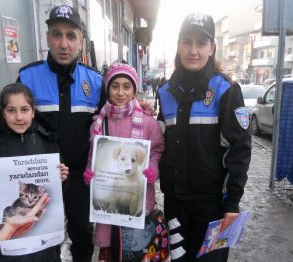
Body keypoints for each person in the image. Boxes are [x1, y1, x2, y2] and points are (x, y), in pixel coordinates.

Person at [0, 5, 105, 261]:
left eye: (71, 36)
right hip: (41, 178)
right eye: (57, 35)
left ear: (81, 40)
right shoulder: (28, 76)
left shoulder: (96, 81)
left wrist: (139, 109)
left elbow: (111, 115)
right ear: (47, 38)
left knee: (82, 235)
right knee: (44, 238)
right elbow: (8, 116)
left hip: (79, 178)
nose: (64, 43)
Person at [157, 13, 251, 262]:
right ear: (178, 45)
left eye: (201, 43)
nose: (193, 50)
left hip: (212, 208)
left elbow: (239, 150)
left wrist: (232, 203)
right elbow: (157, 143)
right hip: (175, 204)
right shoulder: (164, 92)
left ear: (212, 48)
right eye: (187, 42)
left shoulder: (226, 90)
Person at [0, 83, 69, 261]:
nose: (19, 117)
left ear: (33, 111)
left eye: (25, 109)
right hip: (6, 239)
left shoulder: (48, 140)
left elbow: (58, 190)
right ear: (3, 112)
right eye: (11, 110)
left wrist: (62, 178)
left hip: (43, 235)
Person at [82, 63, 165, 261]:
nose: (120, 92)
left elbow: (157, 151)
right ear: (108, 89)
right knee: (112, 253)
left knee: (134, 251)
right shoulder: (99, 123)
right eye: (115, 86)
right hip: (108, 205)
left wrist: (152, 168)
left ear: (134, 90)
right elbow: (95, 154)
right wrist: (90, 174)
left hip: (136, 202)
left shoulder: (149, 123)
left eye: (126, 87)